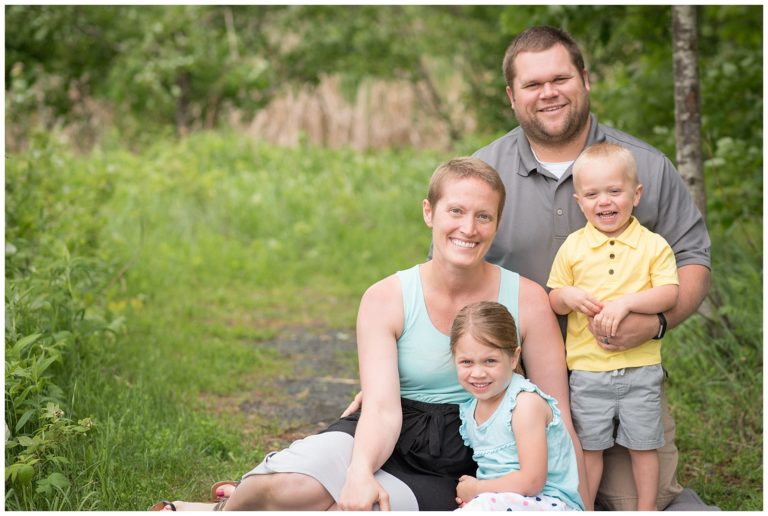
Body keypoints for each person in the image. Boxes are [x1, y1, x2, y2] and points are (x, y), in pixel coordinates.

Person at [150, 157, 585, 511]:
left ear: (496, 223)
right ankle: (223, 509)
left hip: (458, 459)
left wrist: (583, 502)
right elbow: (380, 407)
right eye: (456, 211)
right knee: (285, 490)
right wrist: (358, 471)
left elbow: (558, 419)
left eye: (483, 217)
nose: (468, 229)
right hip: (386, 426)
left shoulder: (526, 299)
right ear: (429, 212)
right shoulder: (386, 297)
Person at [471, 25, 713, 511]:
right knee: (520, 491)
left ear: (585, 78)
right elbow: (447, 274)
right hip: (511, 379)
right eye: (533, 85)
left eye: (560, 78)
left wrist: (657, 321)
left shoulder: (644, 166)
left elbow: (692, 258)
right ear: (511, 97)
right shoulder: (482, 173)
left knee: (636, 500)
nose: (548, 93)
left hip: (619, 371)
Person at [547, 143, 679, 510]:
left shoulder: (653, 246)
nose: (604, 202)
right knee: (590, 448)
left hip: (640, 368)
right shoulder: (573, 248)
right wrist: (569, 296)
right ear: (579, 201)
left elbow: (668, 293)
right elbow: (554, 297)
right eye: (592, 194)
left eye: (614, 191)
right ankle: (584, 507)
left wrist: (627, 303)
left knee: (644, 445)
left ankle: (646, 507)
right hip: (588, 371)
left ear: (636, 195)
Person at [450, 301, 583, 511]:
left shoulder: (524, 405)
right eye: (467, 362)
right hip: (503, 501)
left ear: (514, 357)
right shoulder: (470, 409)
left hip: (548, 502)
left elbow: (532, 481)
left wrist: (478, 489)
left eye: (490, 361)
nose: (477, 373)